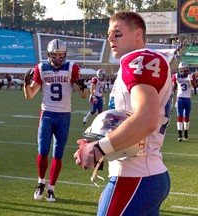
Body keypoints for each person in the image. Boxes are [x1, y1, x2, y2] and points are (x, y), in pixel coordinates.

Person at [74, 12, 172, 215]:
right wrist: (97, 142)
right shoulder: (144, 60)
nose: (110, 38)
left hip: (134, 176)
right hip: (148, 173)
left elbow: (145, 119)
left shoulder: (138, 60)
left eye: (117, 33)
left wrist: (99, 148)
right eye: (109, 34)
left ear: (138, 34)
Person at [23, 38, 88, 202]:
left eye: (61, 55)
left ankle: (51, 188)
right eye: (55, 55)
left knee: (57, 154)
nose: (58, 58)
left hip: (64, 115)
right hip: (47, 114)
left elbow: (83, 95)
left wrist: (83, 87)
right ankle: (40, 183)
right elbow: (30, 95)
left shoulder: (71, 67)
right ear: (49, 55)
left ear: (64, 55)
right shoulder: (42, 67)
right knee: (42, 151)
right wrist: (26, 83)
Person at [172, 62, 197, 141]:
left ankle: (186, 133)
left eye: (185, 69)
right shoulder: (176, 76)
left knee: (186, 116)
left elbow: (194, 86)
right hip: (180, 99)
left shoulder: (191, 75)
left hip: (187, 98)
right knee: (179, 116)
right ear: (179, 70)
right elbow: (174, 87)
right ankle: (180, 135)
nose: (184, 71)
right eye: (182, 69)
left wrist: (190, 80)